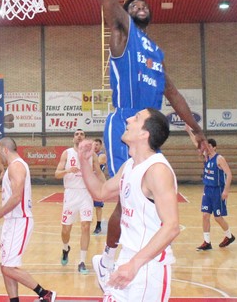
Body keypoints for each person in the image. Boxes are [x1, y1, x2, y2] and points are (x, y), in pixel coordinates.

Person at [74, 0, 207, 285]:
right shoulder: (123, 35)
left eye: (143, 4)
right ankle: (108, 260)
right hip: (127, 122)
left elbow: (174, 95)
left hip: (152, 127)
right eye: (132, 5)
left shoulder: (156, 53)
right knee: (123, 195)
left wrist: (197, 130)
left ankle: (138, 251)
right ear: (123, 15)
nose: (140, 5)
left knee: (147, 193)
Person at [77, 108, 179, 301]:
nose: (129, 119)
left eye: (137, 118)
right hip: (126, 258)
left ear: (144, 134)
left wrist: (134, 264)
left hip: (148, 267)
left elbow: (172, 226)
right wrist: (84, 161)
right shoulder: (130, 166)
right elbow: (100, 192)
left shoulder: (157, 170)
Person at [0, 137, 56, 302]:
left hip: (20, 220)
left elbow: (16, 197)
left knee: (8, 267)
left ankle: (45, 294)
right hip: (12, 221)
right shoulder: (13, 167)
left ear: (5, 150)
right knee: (5, 266)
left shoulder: (16, 166)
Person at [54, 129, 104, 274]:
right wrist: (67, 170)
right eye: (77, 134)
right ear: (73, 138)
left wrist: (107, 187)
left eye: (82, 134)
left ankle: (82, 261)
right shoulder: (67, 153)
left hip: (86, 194)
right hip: (71, 194)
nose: (79, 136)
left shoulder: (92, 155)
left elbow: (99, 172)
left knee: (86, 226)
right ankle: (65, 248)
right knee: (66, 229)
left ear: (85, 138)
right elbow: (57, 174)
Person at [187, 129, 235, 251]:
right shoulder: (206, 156)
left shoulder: (219, 159)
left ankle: (229, 236)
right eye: (206, 147)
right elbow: (196, 143)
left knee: (218, 217)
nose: (206, 148)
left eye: (209, 146)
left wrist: (226, 191)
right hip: (207, 190)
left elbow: (229, 174)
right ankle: (207, 242)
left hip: (217, 191)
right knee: (205, 216)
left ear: (214, 147)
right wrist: (188, 131)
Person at [92, 138, 107, 235]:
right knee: (87, 204)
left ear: (100, 146)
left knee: (98, 206)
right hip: (89, 184)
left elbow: (96, 164)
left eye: (97, 144)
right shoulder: (90, 155)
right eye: (94, 145)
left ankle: (98, 225)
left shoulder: (102, 155)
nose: (95, 146)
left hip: (98, 184)